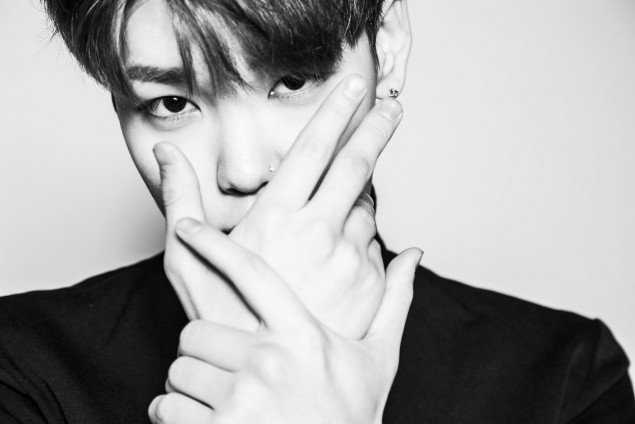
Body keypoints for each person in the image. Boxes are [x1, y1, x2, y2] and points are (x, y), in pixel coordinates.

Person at [0, 0, 633, 422]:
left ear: (386, 47)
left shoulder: (562, 378)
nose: (242, 169)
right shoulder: (22, 367)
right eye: (170, 103)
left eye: (292, 81)